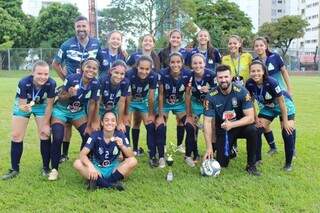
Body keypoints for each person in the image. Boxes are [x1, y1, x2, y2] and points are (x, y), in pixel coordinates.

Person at [52, 16, 101, 163]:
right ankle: (64, 154)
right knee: (68, 121)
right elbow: (55, 64)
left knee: (89, 121)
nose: (81, 29)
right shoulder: (67, 44)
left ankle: (86, 155)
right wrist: (66, 81)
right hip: (73, 88)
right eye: (78, 26)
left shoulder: (96, 43)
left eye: (83, 26)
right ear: (75, 28)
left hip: (89, 88)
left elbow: (101, 63)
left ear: (89, 28)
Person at [1, 60, 56, 180]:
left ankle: (46, 168)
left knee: (45, 134)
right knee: (16, 135)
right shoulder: (24, 82)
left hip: (42, 106)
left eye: (46, 74)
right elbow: (21, 104)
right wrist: (25, 107)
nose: (43, 77)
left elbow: (50, 105)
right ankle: (14, 169)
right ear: (33, 73)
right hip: (24, 104)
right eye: (39, 74)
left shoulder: (51, 83)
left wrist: (46, 124)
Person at [48, 58, 100, 181]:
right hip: (61, 110)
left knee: (88, 135)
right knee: (58, 137)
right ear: (83, 67)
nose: (91, 70)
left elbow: (92, 103)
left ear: (97, 70)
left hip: (78, 112)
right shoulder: (72, 78)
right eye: (88, 67)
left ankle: (82, 161)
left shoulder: (96, 84)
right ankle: (54, 169)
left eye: (94, 68)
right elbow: (60, 97)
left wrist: (90, 123)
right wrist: (69, 95)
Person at [203, 64, 260, 176]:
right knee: (222, 163)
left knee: (253, 130)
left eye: (226, 77)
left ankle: (251, 165)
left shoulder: (242, 91)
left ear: (231, 77)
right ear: (216, 79)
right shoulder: (210, 96)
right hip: (223, 129)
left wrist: (232, 125)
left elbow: (250, 117)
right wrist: (209, 147)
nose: (223, 80)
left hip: (240, 126)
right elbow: (207, 122)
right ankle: (231, 148)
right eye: (220, 77)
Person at [246, 60, 296, 171]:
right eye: (253, 71)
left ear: (264, 71)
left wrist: (286, 122)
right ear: (250, 72)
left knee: (287, 131)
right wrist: (256, 118)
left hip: (284, 105)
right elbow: (251, 101)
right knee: (256, 129)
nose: (256, 73)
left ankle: (288, 164)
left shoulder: (272, 82)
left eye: (258, 70)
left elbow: (282, 102)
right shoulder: (249, 83)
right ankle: (257, 159)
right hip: (268, 108)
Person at [73, 110, 137, 191]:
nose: (110, 123)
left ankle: (99, 183)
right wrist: (90, 166)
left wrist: (122, 146)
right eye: (106, 120)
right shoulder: (95, 135)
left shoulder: (120, 135)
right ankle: (111, 185)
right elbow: (82, 154)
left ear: (116, 123)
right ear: (102, 123)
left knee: (133, 161)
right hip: (97, 169)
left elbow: (131, 155)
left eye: (113, 120)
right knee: (77, 163)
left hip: (114, 168)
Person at [253, 37, 294, 155]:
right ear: (254, 48)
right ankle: (273, 147)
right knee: (263, 125)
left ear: (266, 46)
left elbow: (284, 72)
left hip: (280, 97)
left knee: (285, 126)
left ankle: (292, 149)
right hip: (265, 100)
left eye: (261, 45)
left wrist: (289, 89)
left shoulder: (275, 57)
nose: (259, 47)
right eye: (256, 46)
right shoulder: (255, 62)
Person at [126, 34, 160, 156]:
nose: (144, 71)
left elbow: (151, 95)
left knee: (149, 123)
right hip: (131, 99)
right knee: (128, 123)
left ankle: (153, 153)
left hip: (144, 99)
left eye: (147, 69)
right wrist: (125, 112)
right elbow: (127, 94)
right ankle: (129, 151)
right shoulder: (130, 72)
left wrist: (151, 113)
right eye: (141, 68)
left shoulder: (154, 69)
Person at [156, 52, 192, 168]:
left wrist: (189, 114)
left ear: (182, 63)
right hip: (165, 103)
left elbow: (187, 95)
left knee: (190, 126)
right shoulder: (162, 73)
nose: (175, 64)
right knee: (160, 126)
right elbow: (161, 95)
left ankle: (188, 156)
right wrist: (161, 115)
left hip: (180, 104)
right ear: (168, 63)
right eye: (172, 62)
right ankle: (161, 157)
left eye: (178, 62)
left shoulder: (187, 74)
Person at [158, 29, 189, 153]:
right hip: (166, 93)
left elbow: (189, 70)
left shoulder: (186, 53)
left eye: (178, 37)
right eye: (173, 37)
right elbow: (159, 68)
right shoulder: (163, 52)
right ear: (169, 38)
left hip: (179, 94)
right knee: (162, 121)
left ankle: (180, 145)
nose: (175, 39)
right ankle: (163, 146)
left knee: (182, 121)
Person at [184, 53, 216, 167]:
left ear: (204, 63)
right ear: (191, 65)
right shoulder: (188, 75)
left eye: (200, 63)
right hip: (195, 103)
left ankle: (213, 152)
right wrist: (189, 114)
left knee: (213, 127)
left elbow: (218, 90)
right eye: (195, 63)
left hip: (209, 103)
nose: (198, 65)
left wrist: (210, 89)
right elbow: (187, 95)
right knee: (190, 126)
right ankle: (191, 154)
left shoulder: (211, 75)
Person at [99, 60, 130, 133]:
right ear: (111, 71)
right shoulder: (102, 80)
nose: (119, 76)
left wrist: (119, 123)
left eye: (122, 74)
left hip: (113, 108)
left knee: (122, 129)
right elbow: (97, 102)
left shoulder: (125, 82)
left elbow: (122, 102)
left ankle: (124, 144)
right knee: (96, 129)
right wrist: (96, 120)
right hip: (100, 107)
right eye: (116, 73)